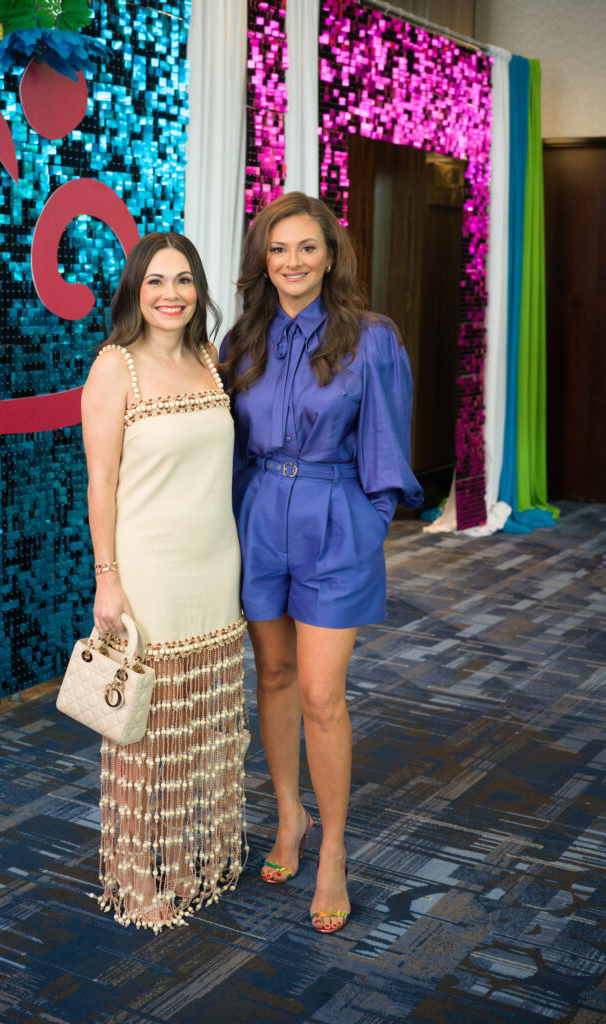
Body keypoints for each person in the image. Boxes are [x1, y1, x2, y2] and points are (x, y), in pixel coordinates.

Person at [220, 192, 423, 934]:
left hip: (336, 520)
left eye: (307, 247)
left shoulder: (372, 339)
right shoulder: (242, 339)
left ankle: (334, 848)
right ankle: (289, 816)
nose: (293, 262)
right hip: (259, 521)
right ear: (262, 260)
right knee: (270, 676)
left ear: (330, 255)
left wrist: (367, 527)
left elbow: (388, 447)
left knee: (317, 692)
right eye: (279, 249)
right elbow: (231, 449)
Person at [81, 232, 247, 933]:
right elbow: (102, 482)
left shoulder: (213, 362)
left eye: (183, 281)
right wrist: (107, 579)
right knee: (143, 732)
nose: (171, 294)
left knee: (201, 730)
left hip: (216, 563)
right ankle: (132, 878)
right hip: (148, 568)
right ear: (134, 292)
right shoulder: (115, 366)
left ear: (198, 290)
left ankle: (185, 864)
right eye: (155, 282)